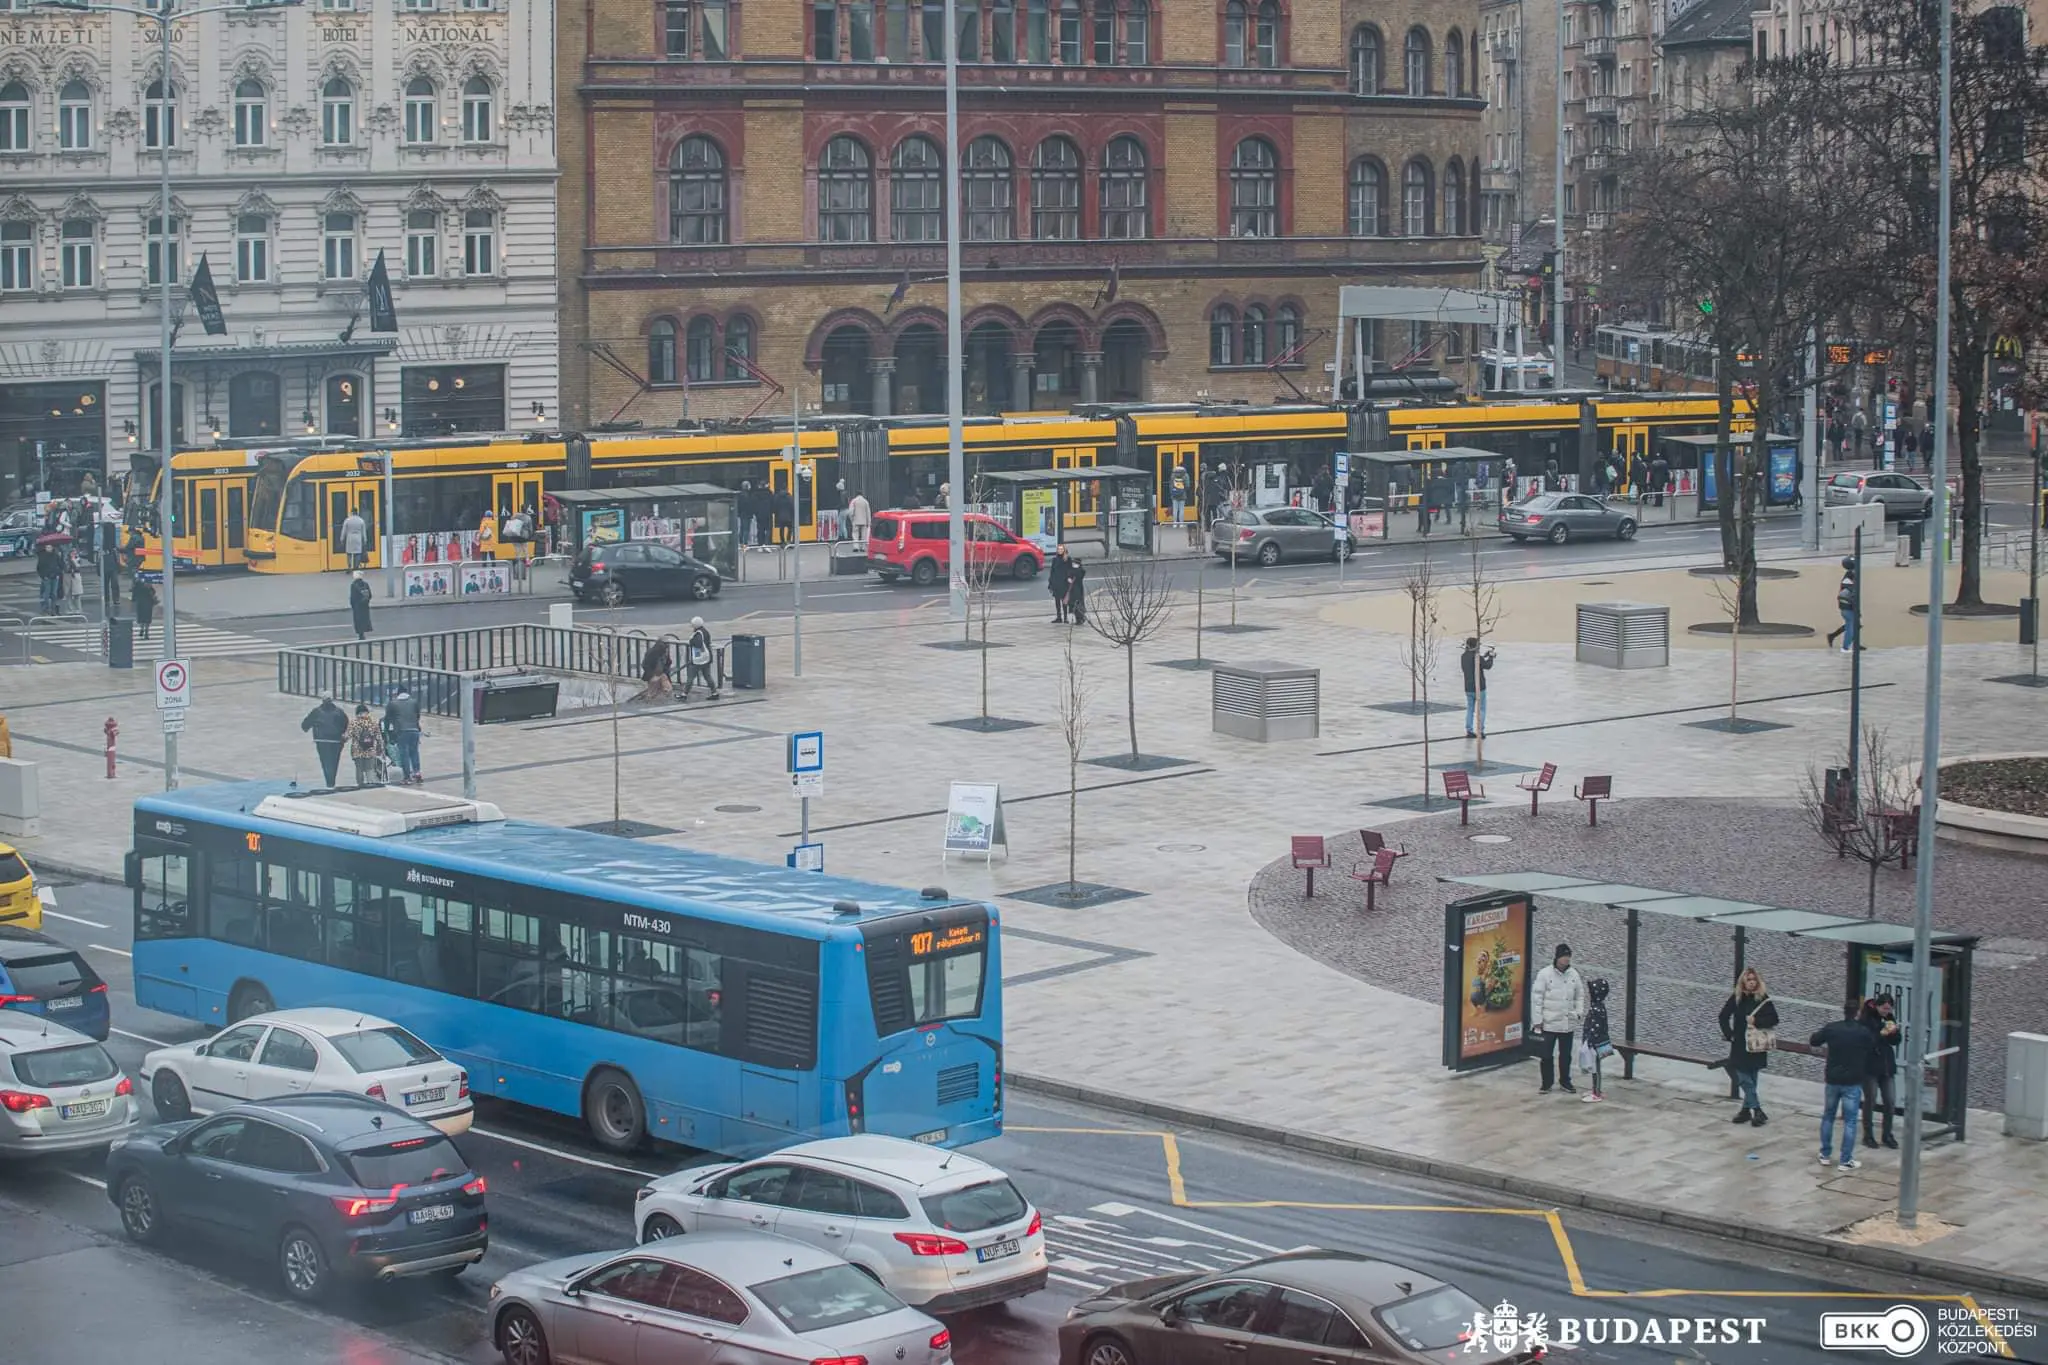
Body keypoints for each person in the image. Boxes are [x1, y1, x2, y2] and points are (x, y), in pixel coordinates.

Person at [1811, 999, 1878, 1168]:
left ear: (1844, 1011)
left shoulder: (1832, 1028)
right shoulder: (1862, 1032)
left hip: (1833, 1079)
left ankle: (1825, 1154)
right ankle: (1845, 1159)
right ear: (1856, 1013)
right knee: (1850, 1121)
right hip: (1853, 1080)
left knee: (1828, 1116)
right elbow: (1872, 1047)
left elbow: (1814, 1040)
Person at [1717, 967, 1781, 1127]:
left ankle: (1746, 1109)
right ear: (1743, 982)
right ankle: (1757, 1109)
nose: (1752, 983)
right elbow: (1723, 1016)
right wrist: (1729, 1034)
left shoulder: (1763, 998)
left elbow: (1774, 1019)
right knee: (1743, 1077)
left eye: (1754, 980)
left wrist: (1756, 1021)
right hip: (1739, 1043)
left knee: (1752, 1076)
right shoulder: (1737, 998)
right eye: (1748, 980)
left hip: (1756, 1043)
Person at [1530, 944, 1586, 1094]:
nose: (1566, 959)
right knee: (1546, 1055)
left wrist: (1578, 1012)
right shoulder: (1544, 974)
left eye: (1568, 956)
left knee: (1566, 1055)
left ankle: (1565, 1081)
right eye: (1564, 956)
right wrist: (1537, 1020)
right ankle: (1546, 1083)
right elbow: (1537, 998)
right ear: (1557, 957)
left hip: (1567, 1023)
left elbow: (1580, 995)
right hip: (1549, 1023)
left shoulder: (1574, 974)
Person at [1860, 995, 1901, 1150]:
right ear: (1877, 1006)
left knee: (1890, 1101)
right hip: (1870, 1066)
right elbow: (1867, 1040)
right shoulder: (1866, 1019)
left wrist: (1894, 1032)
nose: (1887, 1011)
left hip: (1887, 1067)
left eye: (1889, 1008)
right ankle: (1868, 1135)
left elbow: (1896, 1041)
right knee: (1870, 1100)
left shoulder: (1890, 1018)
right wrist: (1882, 1033)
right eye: (1884, 1008)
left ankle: (1887, 1134)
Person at [300, 696, 349, 788]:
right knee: (334, 762)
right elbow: (346, 723)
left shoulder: (316, 712)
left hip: (322, 741)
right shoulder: (339, 712)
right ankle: (331, 781)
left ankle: (329, 783)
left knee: (326, 762)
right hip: (336, 741)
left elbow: (305, 725)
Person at [1579, 978, 1612, 1102]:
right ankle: (1595, 1089)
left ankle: (1597, 1093)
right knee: (1594, 1067)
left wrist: (1590, 1041)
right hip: (1595, 1042)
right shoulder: (1597, 1007)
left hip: (1596, 1043)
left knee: (1595, 1068)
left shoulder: (1597, 1009)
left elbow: (1596, 1027)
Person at [382, 686, 423, 785]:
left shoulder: (392, 704)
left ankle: (407, 777)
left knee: (404, 753)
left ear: (397, 694)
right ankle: (417, 772)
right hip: (414, 730)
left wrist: (386, 733)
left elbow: (387, 719)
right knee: (414, 752)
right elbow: (417, 716)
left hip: (401, 731)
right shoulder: (414, 702)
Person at [1460, 637, 1494, 738]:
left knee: (1470, 709)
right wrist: (1491, 657)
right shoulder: (1477, 657)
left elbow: (1473, 664)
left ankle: (1469, 730)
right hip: (1479, 687)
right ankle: (1480, 730)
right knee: (1482, 709)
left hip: (1468, 687)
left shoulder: (1463, 656)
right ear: (1475, 646)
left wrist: (1484, 656)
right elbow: (1487, 666)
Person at [346, 703, 386, 785]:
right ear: (367, 712)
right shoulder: (373, 723)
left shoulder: (354, 723)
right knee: (370, 769)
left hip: (357, 750)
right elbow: (379, 737)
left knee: (359, 769)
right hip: (370, 750)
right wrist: (381, 749)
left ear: (357, 713)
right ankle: (370, 784)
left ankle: (360, 785)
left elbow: (348, 736)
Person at [682, 617, 719, 699]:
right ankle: (714, 692)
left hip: (698, 659)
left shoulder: (698, 633)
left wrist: (691, 641)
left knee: (690, 677)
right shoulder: (705, 632)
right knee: (707, 676)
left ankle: (684, 694)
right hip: (707, 657)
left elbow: (698, 644)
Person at [1827, 556, 1857, 652]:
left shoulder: (1849, 576)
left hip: (1846, 606)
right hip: (1848, 606)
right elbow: (1848, 594)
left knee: (1852, 625)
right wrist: (1854, 606)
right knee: (1851, 626)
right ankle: (1845, 647)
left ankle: (1852, 643)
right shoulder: (1849, 578)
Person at [638, 637, 673, 702]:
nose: (667, 646)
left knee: (668, 689)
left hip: (662, 674)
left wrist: (665, 672)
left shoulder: (665, 652)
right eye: (665, 644)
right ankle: (648, 700)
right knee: (652, 693)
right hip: (653, 675)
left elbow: (667, 663)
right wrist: (652, 675)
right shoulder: (651, 653)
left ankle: (659, 700)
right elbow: (645, 665)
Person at [34, 541, 61, 615]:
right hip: (46, 577)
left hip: (55, 577)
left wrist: (58, 573)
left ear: (52, 548)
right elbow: (39, 568)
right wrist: (43, 576)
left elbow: (60, 565)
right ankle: (45, 609)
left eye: (49, 547)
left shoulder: (56, 555)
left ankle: (53, 610)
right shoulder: (42, 556)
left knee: (54, 594)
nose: (48, 548)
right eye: (47, 547)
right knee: (46, 594)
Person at [1048, 545, 1072, 624]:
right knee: (1057, 600)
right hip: (1056, 582)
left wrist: (1069, 577)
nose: (1060, 550)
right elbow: (1052, 571)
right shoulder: (1055, 559)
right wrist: (1050, 582)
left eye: (1061, 549)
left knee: (1064, 601)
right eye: (1058, 549)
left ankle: (1065, 618)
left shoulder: (1067, 559)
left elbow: (1070, 569)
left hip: (1064, 582)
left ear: (1064, 550)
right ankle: (1059, 617)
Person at [132, 572, 157, 641]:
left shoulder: (137, 584)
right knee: (147, 619)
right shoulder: (148, 584)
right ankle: (146, 632)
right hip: (148, 603)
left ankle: (141, 629)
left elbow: (134, 594)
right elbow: (153, 592)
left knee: (141, 617)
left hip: (140, 603)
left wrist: (134, 600)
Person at [349, 570, 374, 641]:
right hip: (365, 605)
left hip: (357, 606)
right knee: (364, 619)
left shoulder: (353, 585)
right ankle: (363, 634)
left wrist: (352, 605)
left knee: (358, 620)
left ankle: (361, 635)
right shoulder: (365, 584)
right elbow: (370, 595)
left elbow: (353, 597)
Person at [1065, 555, 1088, 626]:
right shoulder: (1072, 570)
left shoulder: (1080, 571)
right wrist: (1068, 578)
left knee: (1077, 604)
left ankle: (1081, 618)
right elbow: (1068, 575)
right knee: (1073, 605)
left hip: (1077, 590)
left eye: (1074, 563)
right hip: (1072, 590)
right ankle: (1078, 619)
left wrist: (1070, 578)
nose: (1073, 564)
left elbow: (1079, 576)